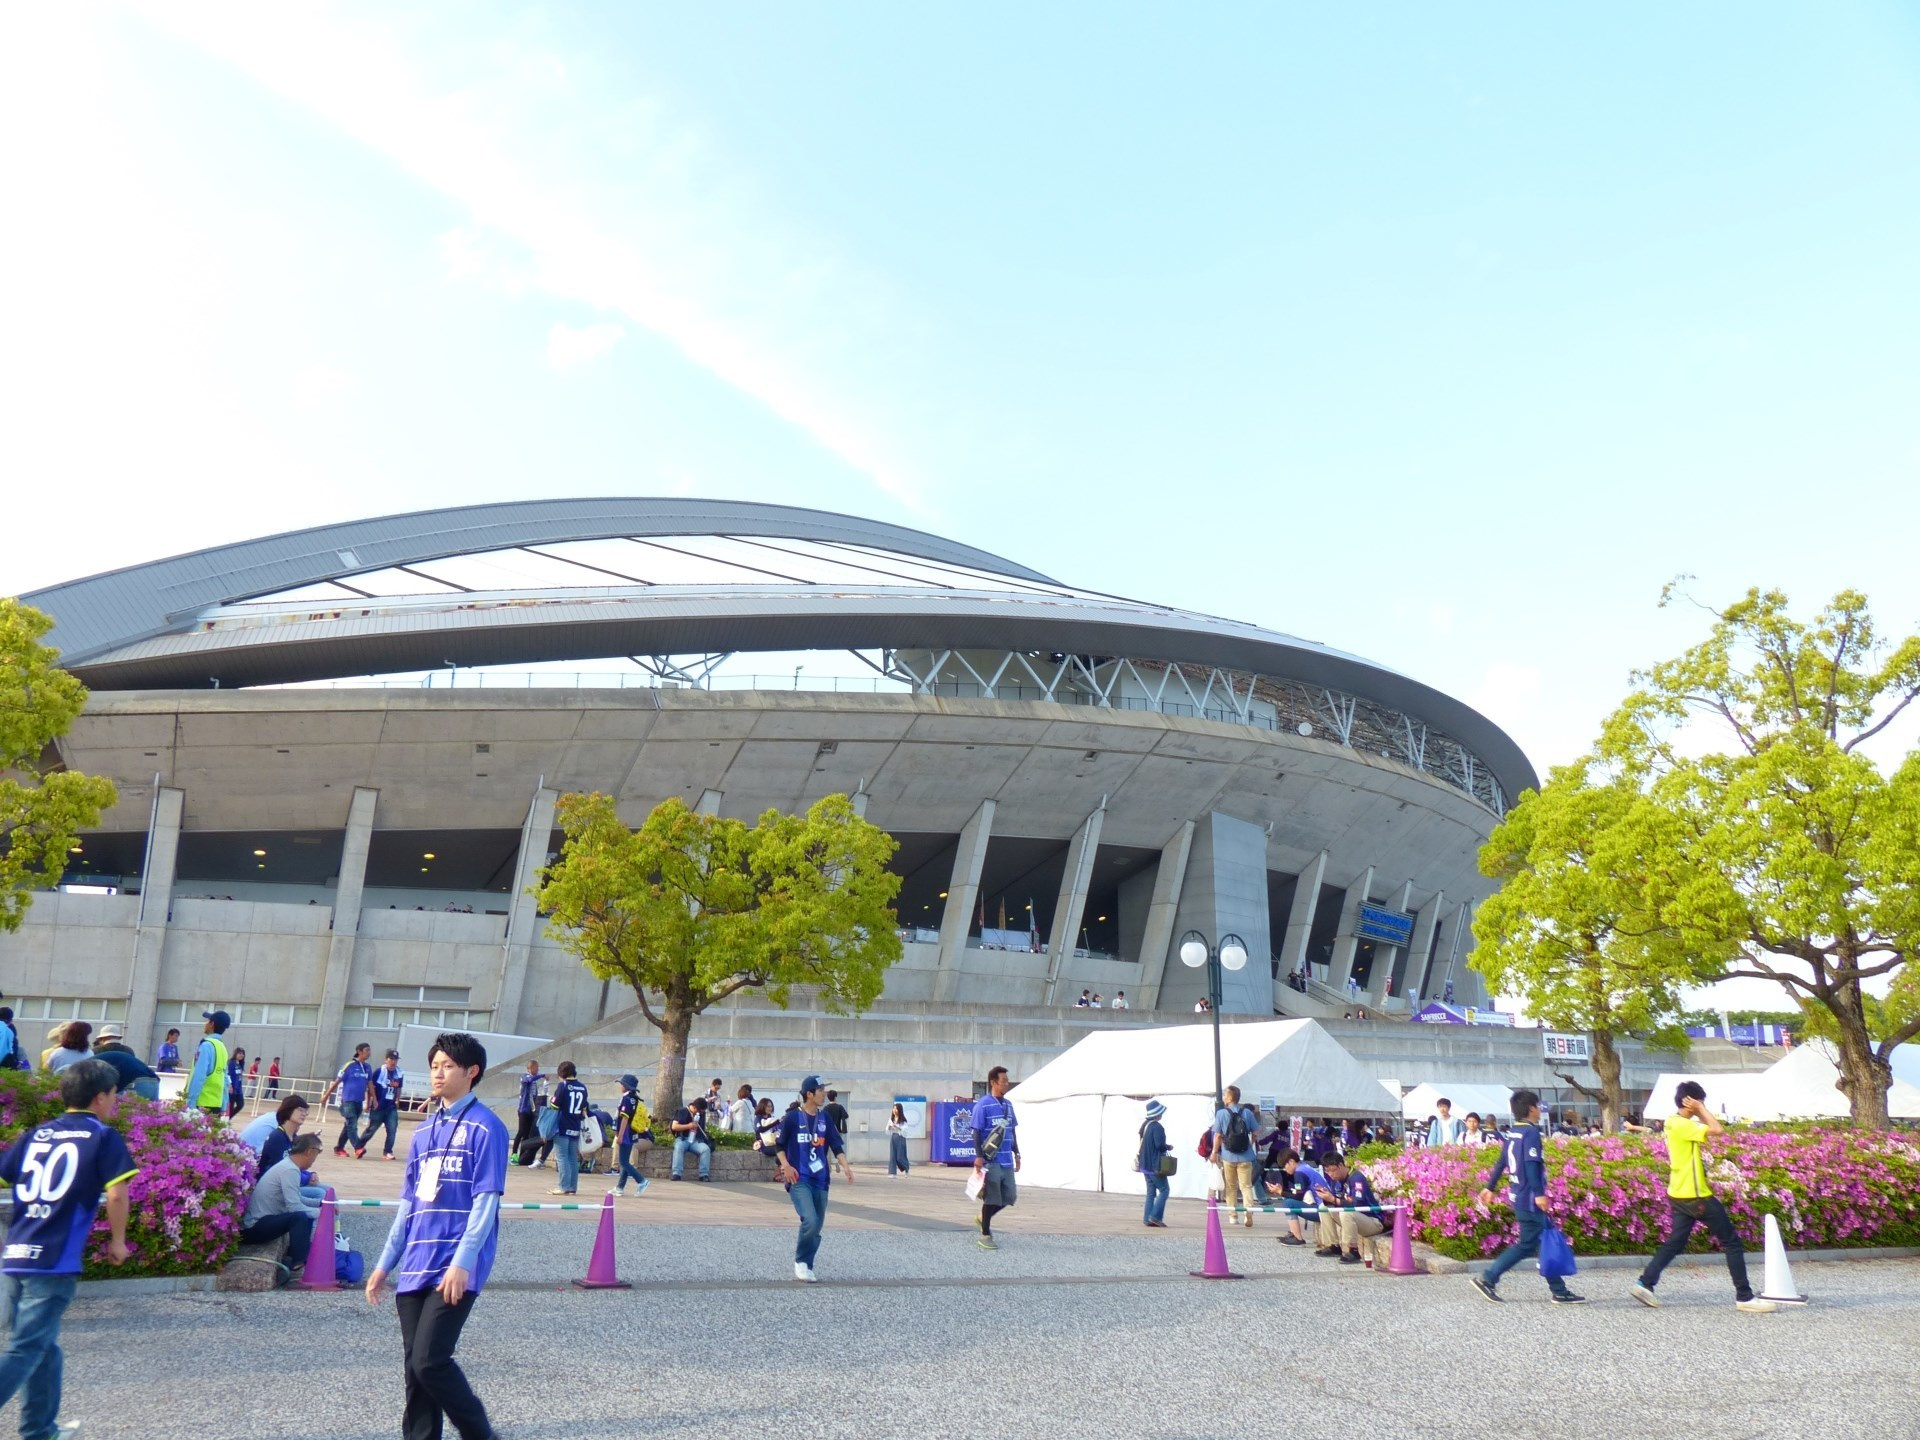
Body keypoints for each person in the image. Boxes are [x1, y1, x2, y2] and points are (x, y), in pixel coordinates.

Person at [367, 1032, 510, 1440]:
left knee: (431, 1361)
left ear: (472, 1071)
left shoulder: (487, 1128)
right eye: (434, 1066)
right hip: (416, 1261)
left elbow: (486, 1201)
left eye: (447, 1066)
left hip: (454, 1264)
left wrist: (463, 1262)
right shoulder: (423, 1132)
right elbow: (408, 1204)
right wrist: (384, 1264)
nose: (438, 1073)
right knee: (414, 1369)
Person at [0, 1058, 134, 1437]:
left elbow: (6, 1175)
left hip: (17, 1253)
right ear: (100, 1097)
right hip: (54, 1259)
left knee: (44, 1347)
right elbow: (117, 1193)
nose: (115, 1101)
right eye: (114, 1094)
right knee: (26, 1348)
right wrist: (118, 1241)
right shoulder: (102, 1136)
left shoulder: (37, 1134)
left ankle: (40, 1430)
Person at [1631, 1082, 1777, 1313]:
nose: (1703, 1105)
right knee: (1731, 1242)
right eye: (1700, 1101)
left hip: (1678, 1193)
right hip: (1696, 1195)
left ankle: (1645, 1284)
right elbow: (1717, 1130)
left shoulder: (1673, 1122)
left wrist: (1698, 1109)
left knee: (1676, 1242)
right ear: (1690, 1101)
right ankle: (1745, 1296)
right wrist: (1701, 1109)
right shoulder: (1682, 1124)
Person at [1471, 1089, 1584, 1304]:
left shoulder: (1513, 1132)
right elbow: (1532, 1165)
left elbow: (1502, 1162)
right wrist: (1539, 1194)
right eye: (1538, 1106)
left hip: (1518, 1195)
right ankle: (1488, 1278)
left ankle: (1559, 1289)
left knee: (1541, 1239)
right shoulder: (1531, 1133)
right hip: (1530, 1198)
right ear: (1531, 1108)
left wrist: (1490, 1186)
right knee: (1528, 1244)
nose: (1539, 1110)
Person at [776, 1075, 854, 1282]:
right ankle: (801, 1261)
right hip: (799, 1179)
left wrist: (846, 1166)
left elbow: (836, 1146)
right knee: (810, 1219)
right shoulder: (792, 1118)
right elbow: (779, 1145)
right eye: (820, 1091)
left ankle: (808, 1264)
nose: (824, 1094)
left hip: (821, 1179)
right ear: (809, 1094)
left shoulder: (825, 1118)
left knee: (817, 1225)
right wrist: (786, 1166)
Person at [240, 1133, 324, 1277]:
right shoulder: (290, 1170)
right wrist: (320, 1213)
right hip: (254, 1227)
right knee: (298, 1217)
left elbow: (297, 1197)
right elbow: (294, 1206)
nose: (313, 1162)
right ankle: (298, 1263)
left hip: (262, 1222)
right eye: (316, 1156)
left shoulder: (288, 1165)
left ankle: (299, 1255)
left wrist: (320, 1203)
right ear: (310, 1152)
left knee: (302, 1215)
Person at [971, 1065, 1021, 1250]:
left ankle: (982, 1218)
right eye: (1003, 1081)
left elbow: (1012, 1131)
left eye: (1007, 1081)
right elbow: (976, 1132)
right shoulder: (983, 1105)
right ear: (993, 1082)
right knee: (992, 1197)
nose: (1006, 1084)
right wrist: (978, 1156)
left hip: (1007, 1159)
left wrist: (1017, 1153)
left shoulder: (1008, 1105)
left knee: (1009, 1196)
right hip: (991, 1160)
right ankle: (985, 1235)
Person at [1312, 1152, 1386, 1264]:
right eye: (1327, 1171)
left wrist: (1333, 1199)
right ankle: (1333, 1245)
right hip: (1354, 1219)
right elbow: (1336, 1200)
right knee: (1324, 1207)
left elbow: (1356, 1205)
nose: (1331, 1174)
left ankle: (1353, 1250)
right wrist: (1327, 1197)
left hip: (1372, 1221)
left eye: (1333, 1170)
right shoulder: (1336, 1181)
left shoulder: (1357, 1178)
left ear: (1341, 1165)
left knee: (1346, 1212)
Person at [1212, 1085, 1261, 1228]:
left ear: (1229, 1098)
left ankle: (1233, 1216)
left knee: (1231, 1187)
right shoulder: (1247, 1113)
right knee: (1246, 1186)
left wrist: (1214, 1152)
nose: (1223, 1097)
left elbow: (1218, 1135)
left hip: (1228, 1155)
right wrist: (1250, 1143)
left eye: (1225, 1095)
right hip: (1245, 1155)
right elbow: (1256, 1132)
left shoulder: (1221, 1113)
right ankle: (1248, 1211)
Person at [320, 1043, 377, 1156]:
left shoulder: (367, 1067)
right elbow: (337, 1081)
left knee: (349, 1126)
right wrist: (326, 1095)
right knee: (352, 1124)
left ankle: (339, 1148)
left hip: (359, 1101)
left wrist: (373, 1099)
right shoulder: (349, 1066)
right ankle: (358, 1147)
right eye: (366, 1050)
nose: (369, 1053)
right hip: (348, 1101)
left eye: (369, 1050)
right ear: (359, 1051)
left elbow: (370, 1084)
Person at [548, 1060, 589, 1194]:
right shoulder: (582, 1087)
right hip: (575, 1125)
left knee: (562, 1157)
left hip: (563, 1125)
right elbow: (585, 1107)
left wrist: (551, 1099)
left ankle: (563, 1186)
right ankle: (572, 1187)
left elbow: (554, 1105)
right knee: (572, 1157)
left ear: (561, 1073)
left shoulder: (563, 1086)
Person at [90, 1024, 160, 1101]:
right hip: (154, 1081)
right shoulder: (128, 1050)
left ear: (103, 1038)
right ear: (118, 1037)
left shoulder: (97, 1051)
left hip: (134, 1084)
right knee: (149, 1108)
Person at [185, 1010, 233, 1118]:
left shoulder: (206, 1045)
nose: (205, 1024)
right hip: (216, 1103)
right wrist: (224, 1104)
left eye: (207, 1021)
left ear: (212, 1024)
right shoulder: (222, 1047)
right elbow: (225, 1079)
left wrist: (190, 1103)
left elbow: (199, 1075)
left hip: (201, 1103)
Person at [1274, 1148, 1326, 1245]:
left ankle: (1297, 1237)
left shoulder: (1299, 1172)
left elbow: (1298, 1196)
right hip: (1323, 1206)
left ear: (1291, 1161)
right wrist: (1282, 1191)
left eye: (1285, 1166)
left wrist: (1281, 1192)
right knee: (1288, 1199)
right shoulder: (1304, 1167)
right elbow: (1298, 1192)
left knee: (1288, 1203)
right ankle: (1293, 1234)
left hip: (1321, 1210)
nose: (1285, 1170)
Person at [610, 1073, 651, 1198]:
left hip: (626, 1133)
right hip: (632, 1133)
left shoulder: (626, 1099)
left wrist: (620, 1135)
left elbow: (624, 1119)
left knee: (623, 1162)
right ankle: (620, 1187)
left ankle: (641, 1181)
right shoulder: (635, 1098)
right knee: (625, 1161)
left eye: (622, 1084)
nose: (620, 1086)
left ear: (626, 1086)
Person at [359, 1050, 406, 1160]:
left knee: (392, 1129)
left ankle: (387, 1151)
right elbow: (370, 1088)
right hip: (379, 1106)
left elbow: (399, 1088)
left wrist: (397, 1100)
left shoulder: (399, 1074)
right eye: (391, 1059)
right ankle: (359, 1146)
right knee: (371, 1129)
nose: (393, 1062)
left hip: (391, 1107)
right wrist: (368, 1103)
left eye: (395, 1060)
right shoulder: (379, 1072)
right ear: (386, 1060)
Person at [1137, 1098, 1171, 1228]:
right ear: (1157, 1114)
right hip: (1154, 1165)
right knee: (1164, 1190)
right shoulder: (1157, 1127)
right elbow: (1159, 1146)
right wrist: (1167, 1147)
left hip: (1144, 1164)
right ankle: (1155, 1217)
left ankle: (1147, 1218)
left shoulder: (1145, 1125)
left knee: (1151, 1192)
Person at [669, 1095, 713, 1182]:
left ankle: (704, 1174)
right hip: (683, 1138)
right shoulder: (682, 1111)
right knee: (678, 1147)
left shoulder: (702, 1114)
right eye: (700, 1111)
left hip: (696, 1140)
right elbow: (674, 1126)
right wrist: (688, 1126)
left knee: (705, 1149)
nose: (701, 1113)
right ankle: (677, 1173)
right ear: (695, 1108)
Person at [514, 1058, 547, 1154]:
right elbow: (528, 1080)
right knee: (521, 1131)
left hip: (532, 1109)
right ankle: (514, 1153)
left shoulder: (534, 1081)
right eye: (536, 1068)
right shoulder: (525, 1077)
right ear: (531, 1068)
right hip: (523, 1109)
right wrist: (542, 1076)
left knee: (527, 1134)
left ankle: (522, 1154)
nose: (537, 1070)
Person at [885, 1103, 911, 1177]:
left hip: (900, 1138)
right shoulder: (891, 1119)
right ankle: (892, 1173)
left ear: (899, 1110)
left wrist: (897, 1127)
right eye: (894, 1108)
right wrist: (889, 1127)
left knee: (900, 1157)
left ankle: (906, 1168)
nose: (894, 1110)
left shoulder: (903, 1120)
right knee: (892, 1156)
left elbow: (905, 1130)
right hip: (893, 1137)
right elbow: (887, 1129)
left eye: (896, 1109)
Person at [226, 1045, 249, 1119]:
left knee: (240, 1105)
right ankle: (226, 1121)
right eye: (239, 1053)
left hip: (238, 1090)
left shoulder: (240, 1064)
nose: (241, 1055)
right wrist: (229, 1085)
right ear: (235, 1054)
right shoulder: (231, 1063)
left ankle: (228, 1119)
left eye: (243, 1054)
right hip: (232, 1089)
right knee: (230, 1107)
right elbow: (228, 1074)